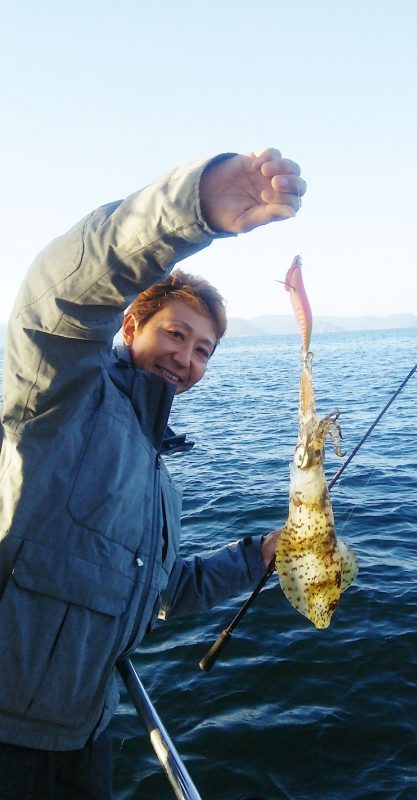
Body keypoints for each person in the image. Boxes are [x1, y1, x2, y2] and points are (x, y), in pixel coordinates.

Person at [0, 147, 306, 799]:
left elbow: (163, 595)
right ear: (132, 324)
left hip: (85, 736)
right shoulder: (61, 398)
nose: (186, 359)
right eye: (175, 334)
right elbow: (61, 296)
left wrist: (258, 555)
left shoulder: (159, 479)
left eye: (203, 350)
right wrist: (192, 210)